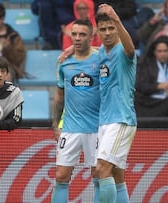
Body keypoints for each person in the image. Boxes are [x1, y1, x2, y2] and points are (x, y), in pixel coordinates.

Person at [51, 19, 100, 203]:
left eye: (82, 34)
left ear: (91, 36)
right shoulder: (63, 62)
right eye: (75, 34)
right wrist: (55, 124)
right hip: (70, 128)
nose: (78, 38)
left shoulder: (100, 58)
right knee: (61, 175)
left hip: (96, 128)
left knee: (98, 176)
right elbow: (59, 96)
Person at [93, 4, 137, 203]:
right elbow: (90, 50)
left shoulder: (124, 51)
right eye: (103, 29)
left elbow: (130, 48)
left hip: (121, 119)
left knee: (102, 168)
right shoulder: (102, 52)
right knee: (116, 176)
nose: (108, 32)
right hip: (105, 121)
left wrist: (117, 19)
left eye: (111, 28)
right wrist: (71, 50)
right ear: (98, 31)